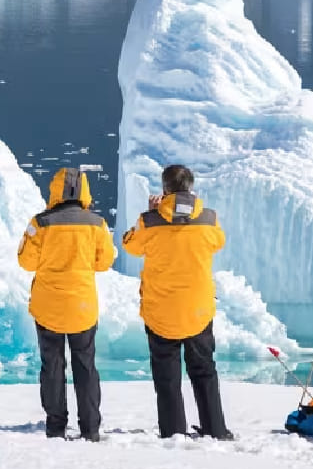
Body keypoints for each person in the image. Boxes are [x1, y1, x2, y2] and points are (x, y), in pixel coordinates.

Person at [122, 164, 233, 440]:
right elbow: (218, 242)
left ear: (164, 189)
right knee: (204, 371)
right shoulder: (209, 219)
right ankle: (215, 429)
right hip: (198, 309)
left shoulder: (149, 221)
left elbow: (130, 245)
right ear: (191, 187)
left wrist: (150, 212)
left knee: (167, 377)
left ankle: (173, 432)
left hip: (161, 311)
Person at [18, 167, 116, 442]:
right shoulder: (96, 224)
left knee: (52, 365)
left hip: (48, 305)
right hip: (82, 306)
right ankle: (90, 428)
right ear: (84, 190)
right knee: (85, 366)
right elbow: (104, 262)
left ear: (55, 189)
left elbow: (26, 262)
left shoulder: (40, 223)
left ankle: (56, 425)